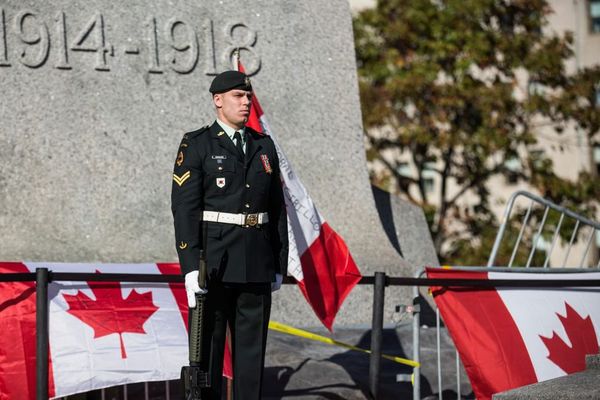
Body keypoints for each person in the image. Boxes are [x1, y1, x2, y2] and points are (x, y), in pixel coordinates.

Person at [171, 70, 288, 400]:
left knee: (251, 361)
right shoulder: (197, 144)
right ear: (218, 101)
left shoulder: (263, 146)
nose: (246, 102)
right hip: (215, 263)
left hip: (256, 262)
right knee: (207, 354)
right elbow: (184, 209)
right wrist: (190, 266)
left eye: (248, 96)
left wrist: (279, 261)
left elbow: (276, 208)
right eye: (238, 96)